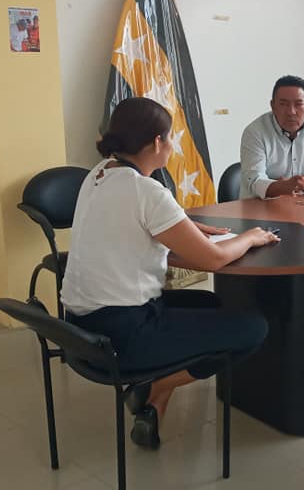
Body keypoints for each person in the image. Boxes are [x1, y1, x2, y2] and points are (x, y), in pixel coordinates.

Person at [61, 97, 280, 449]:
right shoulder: (146, 191)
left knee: (211, 304)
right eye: (171, 138)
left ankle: (156, 400)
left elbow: (134, 219)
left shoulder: (99, 173)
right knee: (253, 328)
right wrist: (251, 237)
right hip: (123, 333)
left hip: (79, 325)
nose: (173, 146)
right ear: (157, 143)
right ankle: (154, 386)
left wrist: (187, 226)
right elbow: (212, 260)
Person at [240, 75, 304, 198]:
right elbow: (254, 181)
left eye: (298, 104)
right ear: (273, 106)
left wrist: (303, 181)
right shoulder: (255, 132)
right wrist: (283, 186)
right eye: (283, 104)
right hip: (261, 204)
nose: (291, 112)